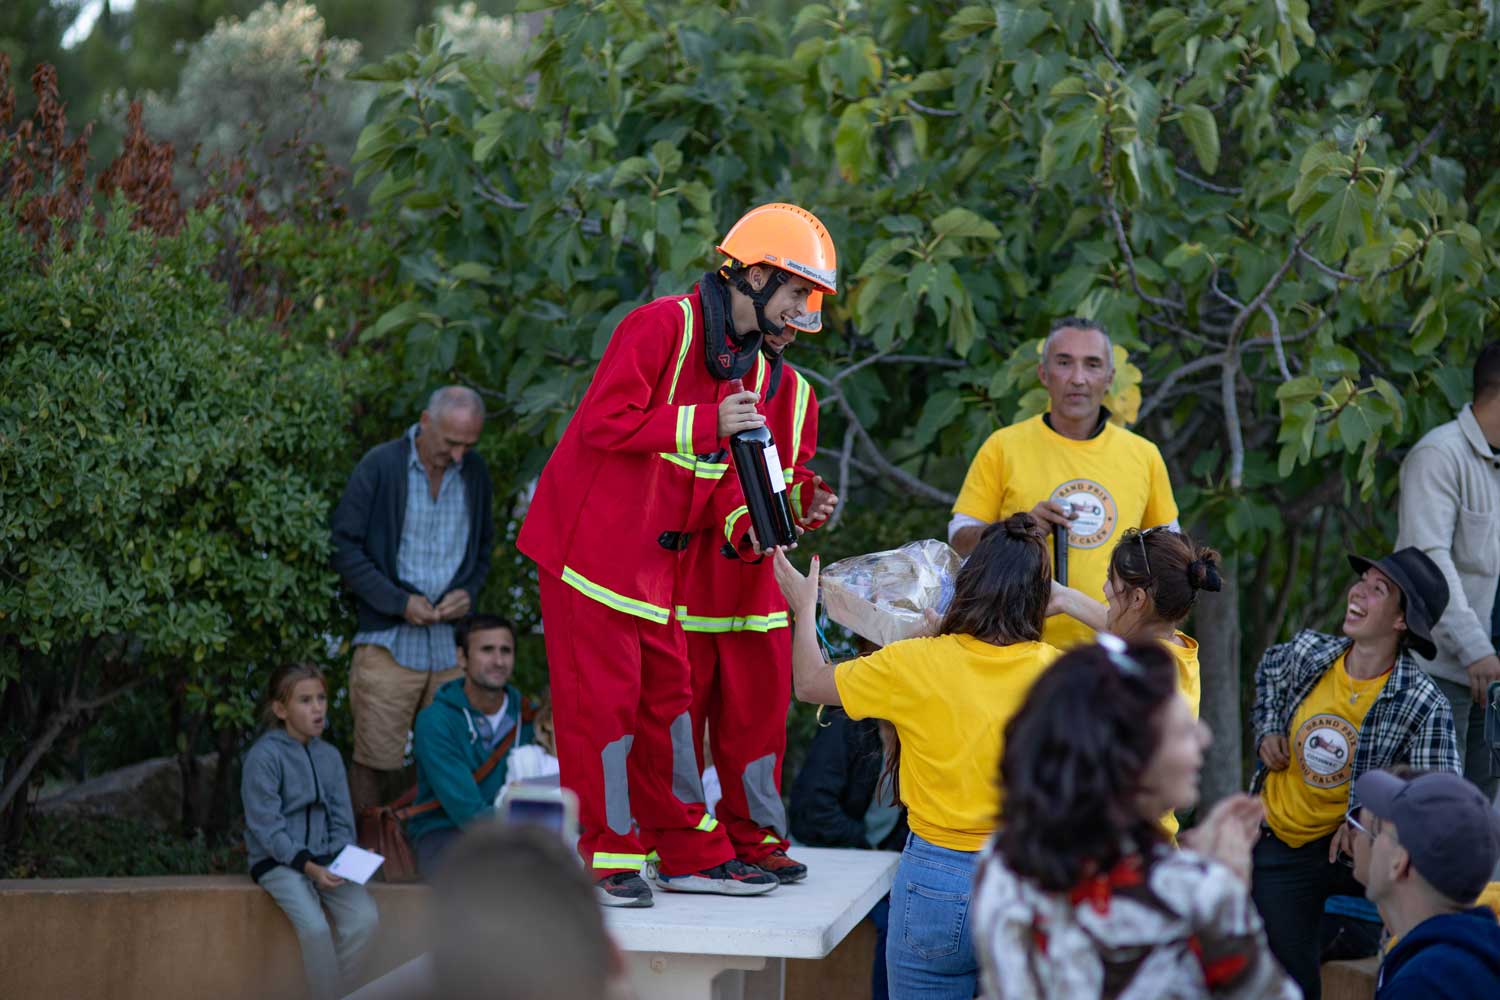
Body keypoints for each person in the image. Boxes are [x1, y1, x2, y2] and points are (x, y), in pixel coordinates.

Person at [517, 203, 838, 906]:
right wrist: (702, 421)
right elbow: (602, 421)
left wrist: (747, 528)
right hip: (587, 558)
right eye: (795, 296)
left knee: (666, 704)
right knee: (602, 710)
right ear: (754, 275)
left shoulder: (751, 364)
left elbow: (727, 477)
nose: (799, 315)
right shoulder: (663, 323)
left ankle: (688, 854)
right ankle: (605, 857)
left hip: (655, 571)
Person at [773, 513, 1059, 998]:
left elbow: (808, 683)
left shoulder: (918, 660)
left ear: (966, 584)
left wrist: (805, 608)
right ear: (1038, 600)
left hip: (935, 876)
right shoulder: (1060, 673)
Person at [972, 637, 1296, 999]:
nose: (1203, 738)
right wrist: (1227, 884)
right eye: (1183, 730)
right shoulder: (1200, 893)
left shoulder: (1001, 862)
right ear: (1131, 761)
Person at [1250, 546, 1461, 999]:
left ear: (1402, 621)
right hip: (1281, 839)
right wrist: (1268, 729)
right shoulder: (1311, 652)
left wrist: (1369, 818)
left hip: (1350, 852)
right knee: (1287, 982)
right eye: (1361, 580)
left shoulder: (1422, 702)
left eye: (1378, 589)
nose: (1358, 592)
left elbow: (1440, 808)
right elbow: (1268, 668)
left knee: (1412, 905)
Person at [680, 292, 838, 885]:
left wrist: (809, 499)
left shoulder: (798, 393)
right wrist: (741, 519)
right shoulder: (701, 371)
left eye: (800, 325)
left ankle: (758, 839)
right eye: (786, 319)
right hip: (690, 590)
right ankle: (674, 840)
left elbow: (787, 476)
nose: (789, 335)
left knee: (759, 728)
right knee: (676, 729)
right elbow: (688, 475)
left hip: (762, 595)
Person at [948, 317, 1179, 648]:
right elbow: (958, 540)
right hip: (1013, 649)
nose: (1078, 378)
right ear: (1044, 374)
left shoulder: (1144, 455)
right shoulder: (1003, 446)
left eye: (1092, 364)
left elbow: (1172, 562)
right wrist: (1019, 528)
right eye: (1064, 362)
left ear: (1110, 378)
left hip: (1113, 653)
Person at [331, 386, 496, 815]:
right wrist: (399, 602)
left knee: (446, 757)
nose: (459, 455)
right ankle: (365, 861)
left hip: (448, 646)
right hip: (388, 639)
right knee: (374, 757)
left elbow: (483, 549)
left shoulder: (475, 474)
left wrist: (468, 592)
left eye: (468, 446)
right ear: (425, 422)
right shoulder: (381, 465)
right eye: (451, 443)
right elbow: (345, 547)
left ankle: (432, 860)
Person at [1047, 526, 1222, 836]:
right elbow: (1122, 624)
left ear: (1139, 598)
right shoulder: (1177, 652)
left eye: (1112, 582)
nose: (1104, 590)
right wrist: (1063, 598)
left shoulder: (1134, 676)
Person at [1397, 340, 1500, 801]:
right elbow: (1428, 560)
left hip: (1493, 675)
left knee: (1479, 815)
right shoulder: (1439, 454)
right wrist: (1477, 649)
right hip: (1445, 672)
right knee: (1436, 810)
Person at [242, 664, 379, 1000]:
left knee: (365, 919)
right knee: (316, 930)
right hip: (278, 862)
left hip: (326, 860)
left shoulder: (329, 755)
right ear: (280, 709)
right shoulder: (264, 756)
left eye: (321, 698)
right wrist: (308, 866)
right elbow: (267, 826)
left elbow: (341, 818)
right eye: (305, 700)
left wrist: (350, 858)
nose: (317, 708)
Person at [1347, 768, 1500, 998]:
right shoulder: (1477, 953)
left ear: (1400, 862)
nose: (1357, 835)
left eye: (1374, 830)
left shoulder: (1421, 987)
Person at [790, 705, 907, 1000]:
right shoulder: (847, 723)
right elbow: (812, 810)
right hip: (823, 857)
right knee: (893, 920)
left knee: (907, 917)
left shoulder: (917, 737)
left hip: (875, 865)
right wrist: (866, 845)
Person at [407, 614, 535, 876]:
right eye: (487, 650)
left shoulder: (530, 716)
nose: (498, 661)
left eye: (506, 651)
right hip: (446, 833)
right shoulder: (436, 721)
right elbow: (468, 813)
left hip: (517, 834)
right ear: (462, 657)